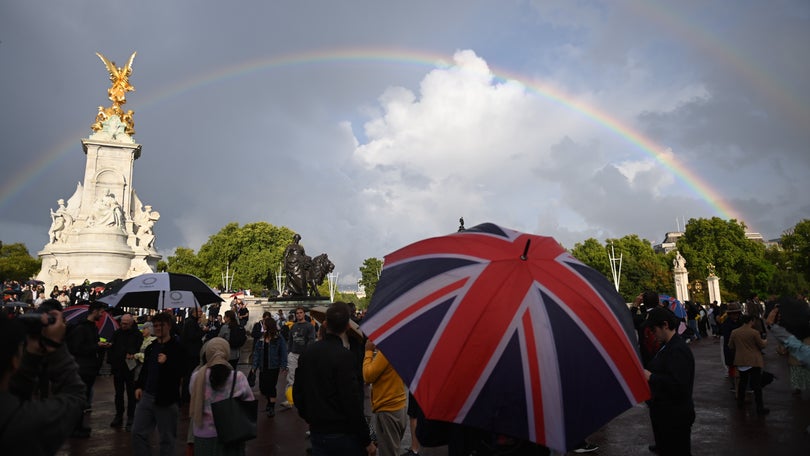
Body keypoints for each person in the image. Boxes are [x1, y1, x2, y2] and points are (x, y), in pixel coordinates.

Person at [0, 307, 86, 455]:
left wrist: (32, 351)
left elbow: (15, 395)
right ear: (15, 362)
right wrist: (54, 346)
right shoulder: (27, 424)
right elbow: (75, 397)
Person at [293, 302, 376, 456]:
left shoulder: (308, 352)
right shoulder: (345, 357)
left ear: (325, 323)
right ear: (347, 327)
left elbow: (298, 392)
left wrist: (309, 416)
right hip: (342, 432)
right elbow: (351, 401)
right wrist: (366, 440)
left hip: (318, 429)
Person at [189, 337, 255, 456]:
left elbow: (191, 394)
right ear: (227, 353)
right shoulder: (237, 377)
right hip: (232, 433)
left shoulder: (196, 377)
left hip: (203, 435)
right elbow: (249, 400)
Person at [132, 312, 186, 456]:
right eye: (155, 325)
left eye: (161, 325)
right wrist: (139, 386)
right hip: (148, 395)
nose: (157, 328)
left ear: (168, 326)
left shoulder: (177, 347)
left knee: (166, 438)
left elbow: (181, 372)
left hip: (167, 398)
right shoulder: (152, 347)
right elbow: (145, 369)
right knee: (137, 432)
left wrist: (167, 362)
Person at [643, 307, 695, 456]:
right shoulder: (669, 345)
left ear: (665, 325)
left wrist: (651, 377)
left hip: (674, 415)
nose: (653, 333)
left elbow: (679, 385)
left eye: (654, 329)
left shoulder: (677, 349)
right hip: (669, 413)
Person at [66, 300, 110, 438]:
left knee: (83, 399)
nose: (102, 314)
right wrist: (98, 346)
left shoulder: (92, 327)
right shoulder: (81, 328)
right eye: (101, 312)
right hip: (82, 367)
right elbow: (77, 349)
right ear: (95, 311)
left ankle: (79, 425)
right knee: (79, 399)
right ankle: (74, 428)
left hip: (90, 367)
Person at [363, 340, 408, 456]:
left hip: (387, 408)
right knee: (393, 448)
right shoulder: (399, 346)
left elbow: (368, 375)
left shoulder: (387, 350)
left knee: (389, 452)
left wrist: (368, 351)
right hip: (398, 405)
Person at [108, 313, 143, 430]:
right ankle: (119, 415)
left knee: (131, 393)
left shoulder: (137, 334)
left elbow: (139, 347)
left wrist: (131, 352)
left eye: (126, 324)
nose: (123, 325)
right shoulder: (117, 333)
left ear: (131, 323)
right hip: (118, 367)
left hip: (130, 367)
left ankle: (130, 417)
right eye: (122, 323)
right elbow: (112, 347)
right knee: (118, 393)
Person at [728, 315, 769, 415]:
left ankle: (740, 403)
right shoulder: (754, 332)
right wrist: (765, 341)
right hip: (753, 360)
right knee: (756, 386)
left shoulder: (735, 332)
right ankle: (760, 408)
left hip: (741, 360)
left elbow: (730, 345)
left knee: (742, 383)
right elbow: (761, 345)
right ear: (751, 321)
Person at [281, 306, 317, 408]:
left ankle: (307, 399)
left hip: (304, 355)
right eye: (297, 313)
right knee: (291, 378)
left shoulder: (310, 326)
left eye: (301, 313)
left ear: (304, 314)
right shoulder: (293, 326)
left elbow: (311, 341)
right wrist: (289, 353)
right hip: (293, 354)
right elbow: (290, 341)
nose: (299, 315)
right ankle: (289, 400)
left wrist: (307, 354)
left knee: (306, 377)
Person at [252, 315, 287, 417]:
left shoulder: (278, 337)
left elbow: (283, 351)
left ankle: (271, 406)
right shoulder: (262, 337)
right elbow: (257, 352)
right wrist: (254, 366)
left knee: (271, 387)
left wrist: (283, 365)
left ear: (268, 325)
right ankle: (269, 402)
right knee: (263, 387)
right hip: (263, 366)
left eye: (264, 323)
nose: (262, 325)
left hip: (273, 366)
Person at [180, 307, 206, 404]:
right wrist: (203, 331)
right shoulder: (191, 323)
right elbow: (192, 336)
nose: (201, 313)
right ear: (194, 312)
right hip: (191, 353)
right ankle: (186, 397)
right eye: (199, 311)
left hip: (192, 352)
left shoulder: (192, 322)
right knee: (189, 375)